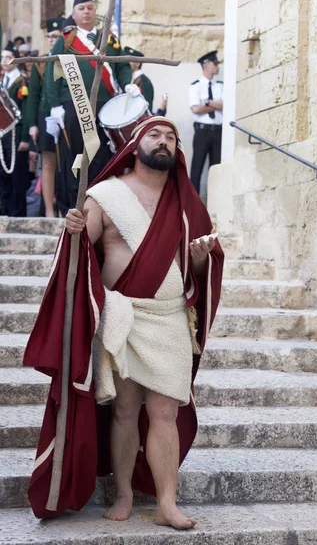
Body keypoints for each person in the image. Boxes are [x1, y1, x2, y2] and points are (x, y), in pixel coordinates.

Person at [23, 115, 224, 527]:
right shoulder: (106, 194)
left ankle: (167, 502)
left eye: (171, 136)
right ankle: (125, 492)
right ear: (135, 143)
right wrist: (74, 228)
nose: (164, 141)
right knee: (124, 410)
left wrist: (202, 260)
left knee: (165, 410)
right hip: (123, 317)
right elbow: (81, 247)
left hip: (168, 318)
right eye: (155, 134)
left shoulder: (187, 200)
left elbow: (198, 267)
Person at [45, 0, 135, 213]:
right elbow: (51, 73)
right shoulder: (65, 41)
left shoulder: (109, 38)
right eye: (81, 9)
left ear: (95, 11)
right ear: (73, 15)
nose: (86, 12)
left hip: (105, 106)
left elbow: (122, 65)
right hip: (74, 106)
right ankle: (74, 206)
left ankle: (99, 205)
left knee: (103, 155)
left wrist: (127, 84)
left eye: (89, 8)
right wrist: (55, 105)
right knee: (76, 156)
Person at [27, 17, 63, 217]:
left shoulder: (69, 59)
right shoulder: (41, 62)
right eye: (49, 36)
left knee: (67, 164)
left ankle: (64, 207)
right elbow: (33, 95)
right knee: (48, 163)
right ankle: (49, 212)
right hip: (45, 114)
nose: (51, 39)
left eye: (56, 36)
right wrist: (32, 124)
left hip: (65, 115)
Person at [0, 40, 30, 216]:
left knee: (17, 175)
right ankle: (5, 211)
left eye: (8, 57)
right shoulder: (4, 80)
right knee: (3, 174)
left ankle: (17, 214)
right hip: (4, 134)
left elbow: (25, 111)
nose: (4, 60)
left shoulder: (21, 81)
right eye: (2, 57)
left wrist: (25, 138)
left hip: (17, 133)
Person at [189, 50, 223, 194]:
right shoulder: (195, 86)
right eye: (215, 63)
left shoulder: (220, 86)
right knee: (197, 169)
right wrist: (214, 104)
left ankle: (214, 204)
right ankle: (193, 206)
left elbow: (224, 105)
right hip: (202, 132)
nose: (218, 66)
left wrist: (207, 102)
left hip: (217, 132)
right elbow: (195, 109)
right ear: (206, 66)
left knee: (217, 170)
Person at [124, 46, 154, 112]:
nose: (126, 63)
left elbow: (145, 105)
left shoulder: (144, 81)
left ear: (137, 63)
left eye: (129, 60)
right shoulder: (128, 79)